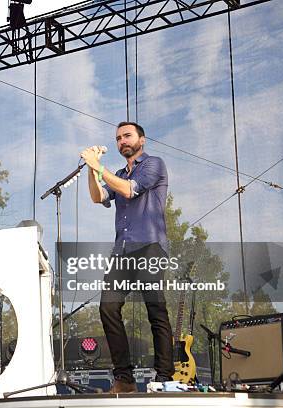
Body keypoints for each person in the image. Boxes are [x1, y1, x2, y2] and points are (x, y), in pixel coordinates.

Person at [81, 121, 174, 393]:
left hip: (150, 247)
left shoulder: (154, 164)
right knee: (107, 308)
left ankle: (165, 377)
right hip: (122, 251)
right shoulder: (119, 172)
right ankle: (124, 378)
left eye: (127, 136)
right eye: (118, 138)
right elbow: (98, 196)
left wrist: (99, 168)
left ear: (141, 140)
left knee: (155, 310)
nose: (122, 141)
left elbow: (128, 190)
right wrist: (92, 168)